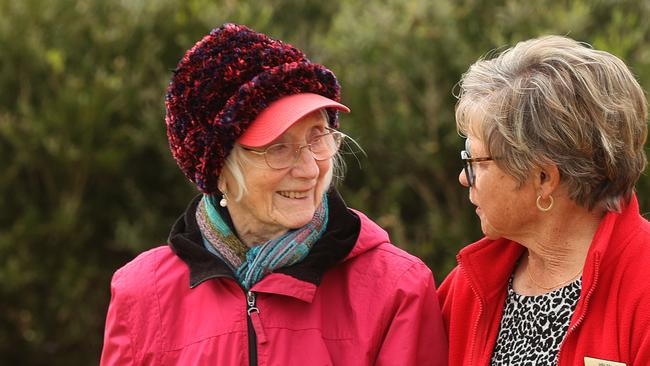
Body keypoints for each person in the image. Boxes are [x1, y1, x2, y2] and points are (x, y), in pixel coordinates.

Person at [100, 23, 447, 365]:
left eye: (317, 136)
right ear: (219, 170)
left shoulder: (397, 289)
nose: (310, 169)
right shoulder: (142, 295)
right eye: (278, 147)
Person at [438, 35, 650, 365]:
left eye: (475, 160)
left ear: (543, 179)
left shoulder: (642, 288)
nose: (464, 177)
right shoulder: (471, 284)